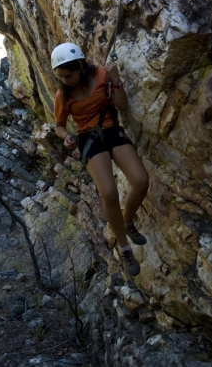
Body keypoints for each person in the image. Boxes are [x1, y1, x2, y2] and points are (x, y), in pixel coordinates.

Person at [51, 42, 149, 276]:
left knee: (141, 180)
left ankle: (126, 222)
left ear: (80, 67)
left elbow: (122, 105)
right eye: (61, 77)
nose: (66, 80)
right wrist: (66, 137)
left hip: (112, 129)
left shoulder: (103, 74)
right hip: (88, 138)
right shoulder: (63, 95)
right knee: (109, 193)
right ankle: (124, 248)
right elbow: (58, 126)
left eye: (69, 75)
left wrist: (115, 79)